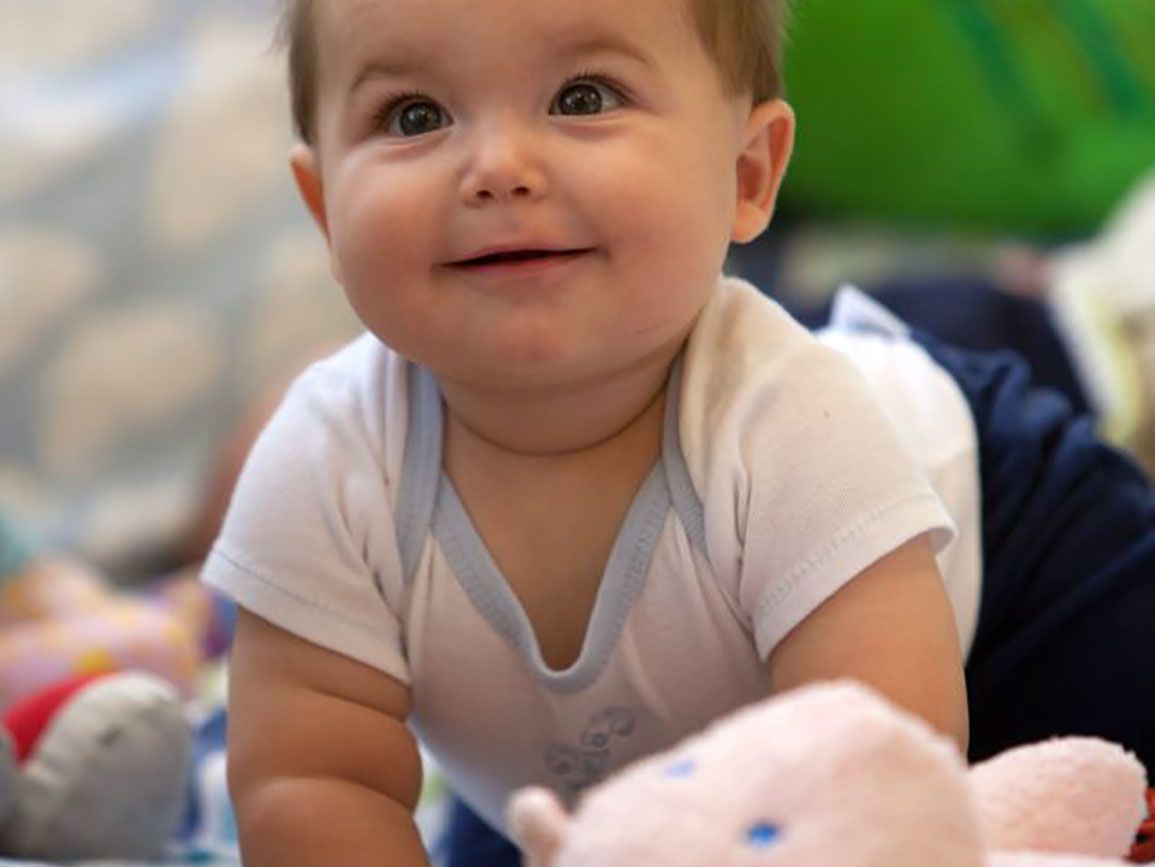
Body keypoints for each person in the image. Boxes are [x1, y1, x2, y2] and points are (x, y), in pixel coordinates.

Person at [203, 1, 1155, 866]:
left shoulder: (788, 420)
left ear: (746, 174)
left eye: (582, 98)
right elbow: (313, 778)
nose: (496, 168)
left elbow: (867, 754)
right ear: (324, 210)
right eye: (414, 115)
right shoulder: (325, 466)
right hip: (584, 776)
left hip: (1010, 563)